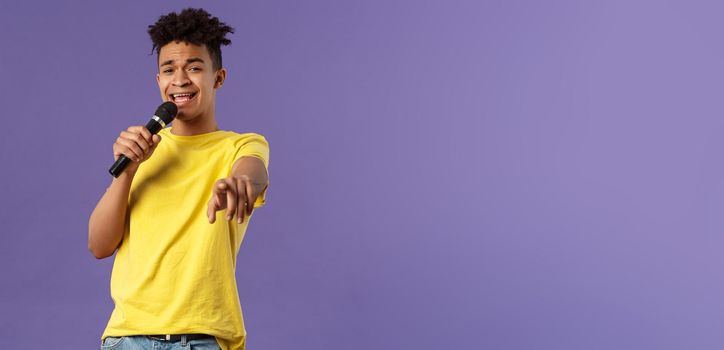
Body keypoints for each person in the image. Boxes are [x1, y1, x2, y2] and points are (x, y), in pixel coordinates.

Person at [87, 8, 269, 350]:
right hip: (127, 337)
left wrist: (239, 184)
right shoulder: (144, 150)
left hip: (201, 339)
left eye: (195, 67)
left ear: (218, 78)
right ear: (158, 81)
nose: (180, 79)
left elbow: (253, 172)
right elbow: (99, 245)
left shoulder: (239, 145)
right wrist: (126, 172)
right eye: (169, 69)